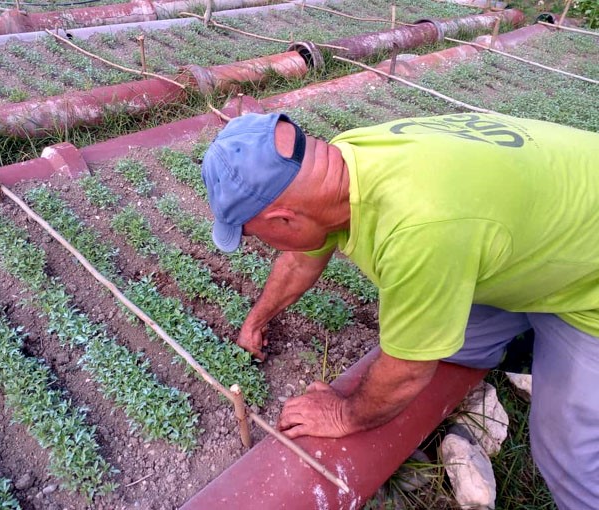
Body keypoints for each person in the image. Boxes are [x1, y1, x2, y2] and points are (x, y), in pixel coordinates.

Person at [201, 112, 599, 509]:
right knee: (447, 344)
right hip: (555, 216)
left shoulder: (416, 231)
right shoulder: (345, 160)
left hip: (587, 281)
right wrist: (257, 319)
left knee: (569, 454)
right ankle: (530, 340)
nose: (261, 244)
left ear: (284, 219)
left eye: (254, 235)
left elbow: (409, 369)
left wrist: (346, 414)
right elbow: (301, 257)